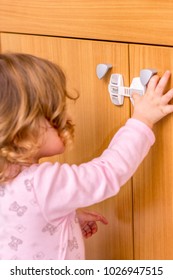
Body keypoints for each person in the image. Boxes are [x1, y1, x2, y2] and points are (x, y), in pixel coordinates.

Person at [0, 53, 173, 260]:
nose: (67, 118)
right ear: (19, 134)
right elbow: (108, 172)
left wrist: (59, 219)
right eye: (54, 114)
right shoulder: (42, 183)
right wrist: (143, 119)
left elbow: (19, 223)